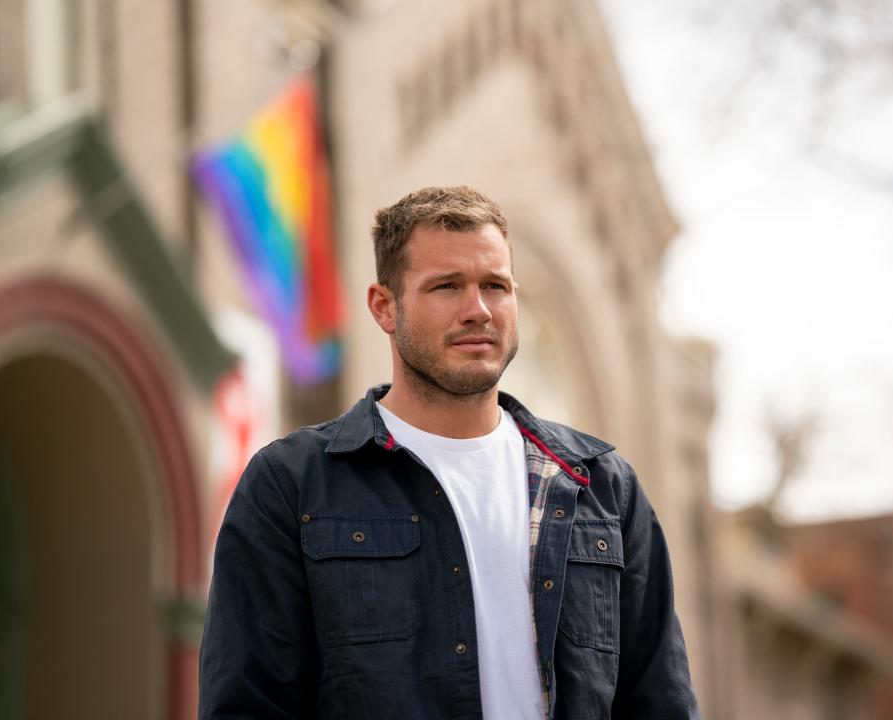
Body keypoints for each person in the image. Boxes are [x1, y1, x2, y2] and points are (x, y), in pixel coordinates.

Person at [199, 186, 701, 719]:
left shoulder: (599, 487)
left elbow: (661, 700)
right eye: (446, 286)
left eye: (495, 286)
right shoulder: (292, 484)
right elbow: (246, 704)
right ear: (384, 307)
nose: (478, 310)